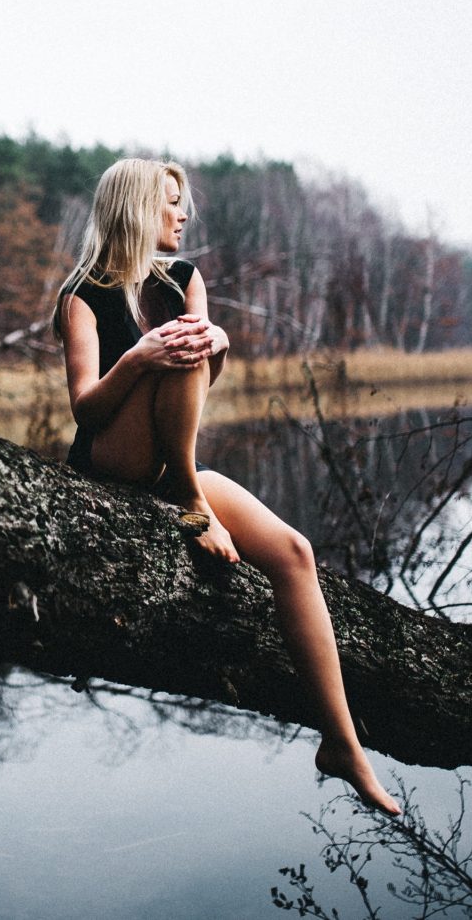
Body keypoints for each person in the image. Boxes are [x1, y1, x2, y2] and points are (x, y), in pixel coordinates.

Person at [55, 158, 401, 815]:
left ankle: (341, 741)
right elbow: (86, 409)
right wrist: (140, 358)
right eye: (171, 203)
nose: (184, 216)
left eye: (185, 204)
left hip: (173, 464)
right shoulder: (83, 295)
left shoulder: (185, 279)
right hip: (112, 463)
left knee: (295, 553)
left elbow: (199, 386)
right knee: (182, 343)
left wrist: (217, 343)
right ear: (135, 207)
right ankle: (191, 499)